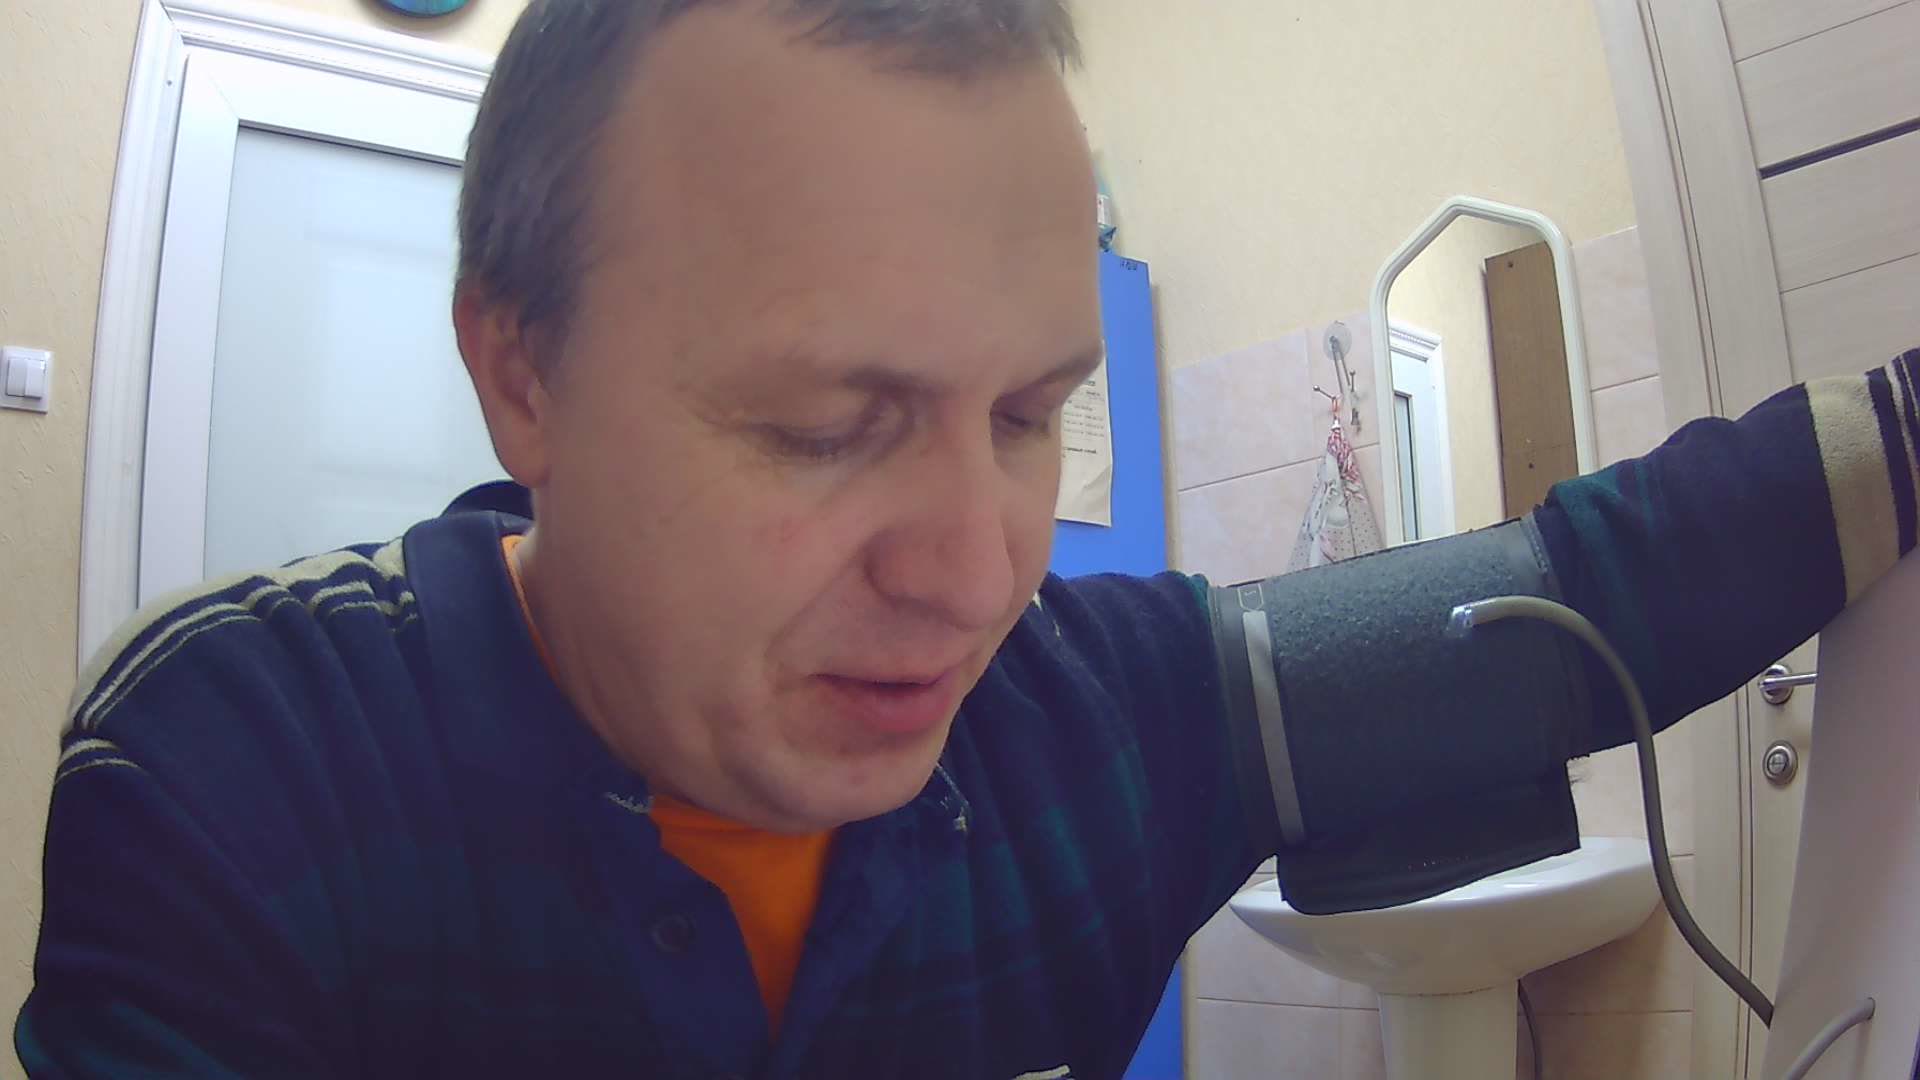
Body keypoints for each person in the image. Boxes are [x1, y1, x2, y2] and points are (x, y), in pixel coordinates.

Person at [15, 0, 1918, 1076]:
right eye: (824, 428)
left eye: (1028, 416)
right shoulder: (237, 772)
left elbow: (1573, 598)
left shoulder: (1104, 719)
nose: (977, 576)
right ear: (519, 374)